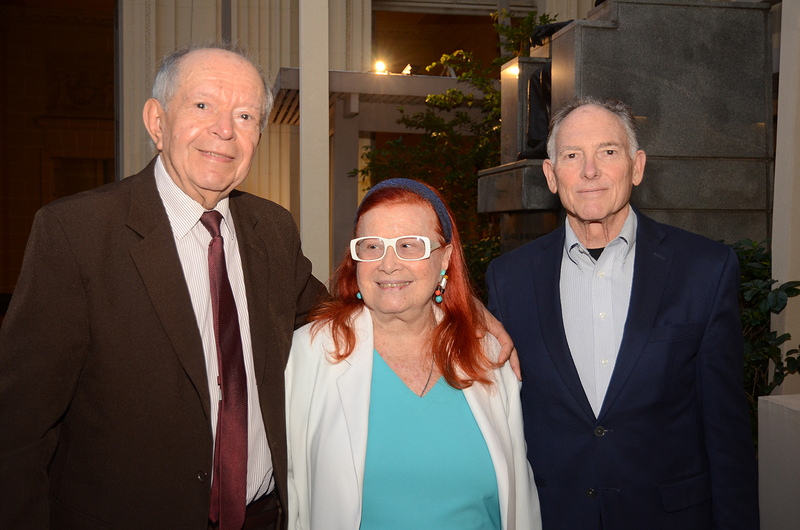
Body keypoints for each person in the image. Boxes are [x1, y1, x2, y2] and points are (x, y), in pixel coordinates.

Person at [0, 43, 514, 529]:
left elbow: (346, 310)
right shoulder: (77, 233)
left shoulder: (269, 229)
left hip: (265, 517)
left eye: (245, 116)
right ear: (157, 121)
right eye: (203, 105)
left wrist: (465, 310)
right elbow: (18, 429)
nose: (224, 130)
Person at [486, 97, 759, 529]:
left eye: (608, 152)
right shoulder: (509, 280)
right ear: (551, 175)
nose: (589, 170)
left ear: (637, 167)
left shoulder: (704, 269)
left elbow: (728, 435)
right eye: (572, 155)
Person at [285, 178, 541, 530]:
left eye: (409, 246)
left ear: (445, 259)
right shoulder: (311, 353)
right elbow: (293, 494)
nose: (388, 264)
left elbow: (521, 498)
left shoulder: (487, 355)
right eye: (371, 246)